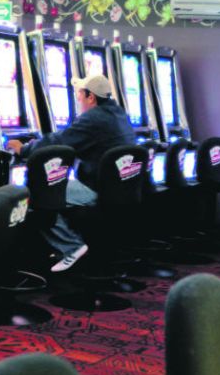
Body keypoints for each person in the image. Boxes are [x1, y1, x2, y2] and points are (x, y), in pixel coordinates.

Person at [7, 74, 136, 272]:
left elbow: (59, 142)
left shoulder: (94, 118)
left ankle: (70, 247)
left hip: (96, 189)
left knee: (33, 194)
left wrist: (24, 149)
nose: (78, 100)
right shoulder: (118, 114)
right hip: (120, 190)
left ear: (91, 97)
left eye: (80, 95)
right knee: (52, 189)